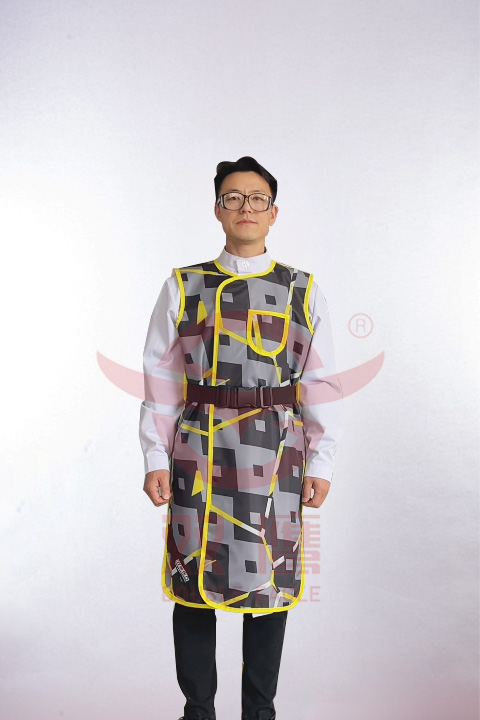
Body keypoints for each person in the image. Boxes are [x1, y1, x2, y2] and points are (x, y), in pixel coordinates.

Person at [139, 156, 343, 720]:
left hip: (275, 455)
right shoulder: (184, 286)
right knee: (193, 582)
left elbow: (320, 381)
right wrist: (154, 455)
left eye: (257, 199)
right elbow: (161, 379)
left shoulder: (301, 288)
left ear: (273, 212)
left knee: (268, 585)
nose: (245, 207)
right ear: (217, 210)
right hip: (198, 452)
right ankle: (198, 711)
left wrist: (322, 461)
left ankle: (260, 713)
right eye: (233, 197)